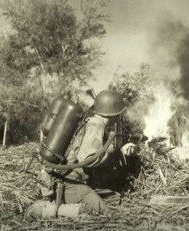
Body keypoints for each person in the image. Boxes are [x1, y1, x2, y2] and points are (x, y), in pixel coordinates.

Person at [26, 90, 136, 219]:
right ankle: (44, 211)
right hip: (67, 182)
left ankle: (65, 201)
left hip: (68, 178)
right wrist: (113, 151)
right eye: (119, 113)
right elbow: (88, 159)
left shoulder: (91, 121)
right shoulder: (96, 125)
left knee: (114, 198)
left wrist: (119, 154)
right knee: (100, 211)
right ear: (113, 113)